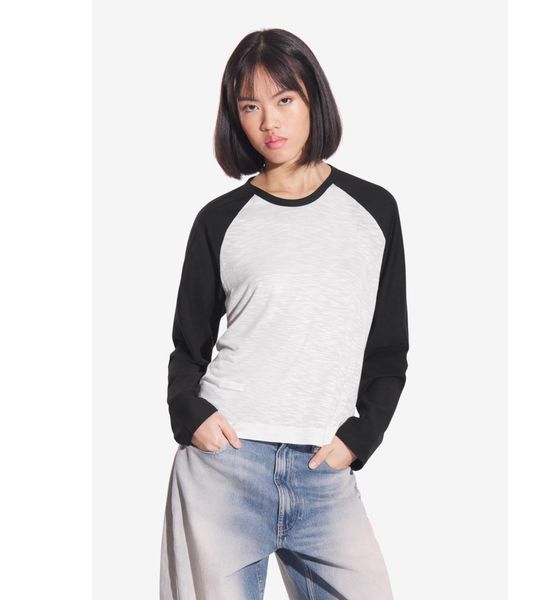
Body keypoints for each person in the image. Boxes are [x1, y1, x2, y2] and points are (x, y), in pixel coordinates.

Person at [160, 28, 409, 600]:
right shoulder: (220, 220)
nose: (269, 122)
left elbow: (388, 350)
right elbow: (188, 349)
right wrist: (191, 415)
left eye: (284, 99)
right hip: (225, 467)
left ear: (313, 99)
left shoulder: (374, 211)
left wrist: (360, 438)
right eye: (250, 106)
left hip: (324, 469)